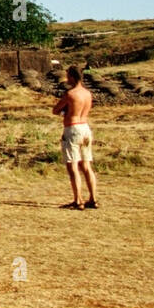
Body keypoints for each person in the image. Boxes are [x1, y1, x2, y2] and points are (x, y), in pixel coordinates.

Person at [52, 65, 97, 210]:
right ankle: (93, 198)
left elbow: (55, 110)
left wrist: (64, 111)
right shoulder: (88, 94)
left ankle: (78, 199)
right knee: (86, 165)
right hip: (85, 127)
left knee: (72, 165)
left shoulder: (70, 94)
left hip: (72, 128)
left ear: (72, 76)